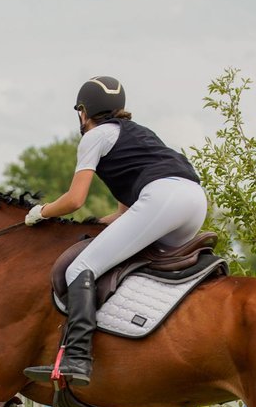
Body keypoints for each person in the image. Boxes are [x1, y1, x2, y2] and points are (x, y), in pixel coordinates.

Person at [22, 76, 208, 386]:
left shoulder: (95, 136)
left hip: (162, 199)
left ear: (84, 111)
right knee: (133, 264)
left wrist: (40, 213)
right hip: (194, 203)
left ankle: (77, 358)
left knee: (79, 268)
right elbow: (123, 216)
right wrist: (87, 228)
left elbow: (74, 199)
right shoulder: (138, 135)